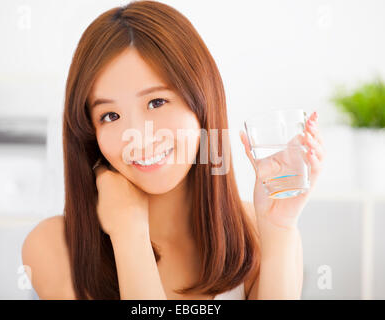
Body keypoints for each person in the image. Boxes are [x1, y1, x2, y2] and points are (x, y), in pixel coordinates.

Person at [21, 0, 325, 300]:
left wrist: (279, 229)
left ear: (202, 100)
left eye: (156, 102)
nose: (138, 136)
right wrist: (128, 232)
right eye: (110, 116)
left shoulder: (259, 233)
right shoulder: (54, 246)